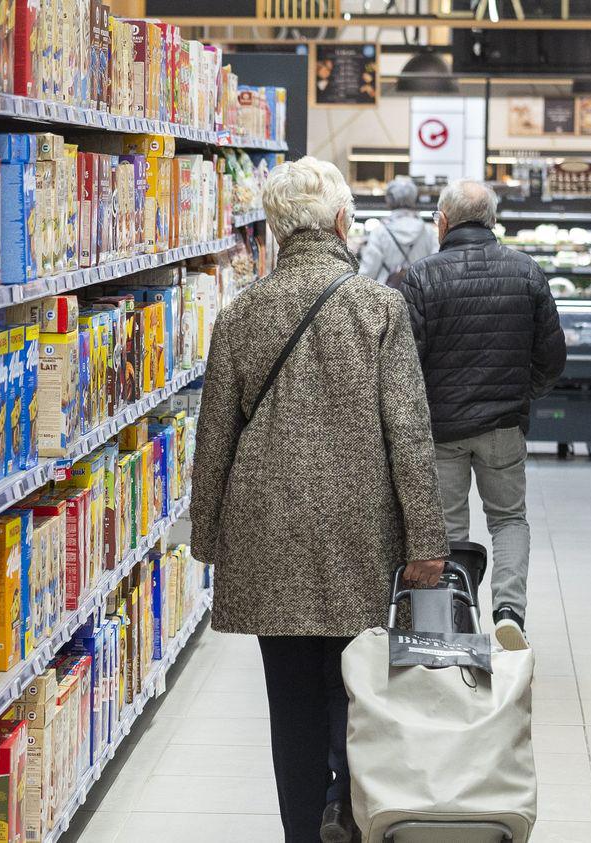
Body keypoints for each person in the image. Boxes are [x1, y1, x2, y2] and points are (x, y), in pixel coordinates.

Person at [189, 156, 449, 843]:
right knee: (360, 687)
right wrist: (427, 541)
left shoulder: (239, 313)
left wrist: (206, 537)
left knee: (291, 701)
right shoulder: (379, 308)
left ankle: (304, 827)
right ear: (340, 222)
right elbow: (410, 435)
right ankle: (353, 810)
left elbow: (214, 437)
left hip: (267, 528)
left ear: (275, 231)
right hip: (360, 529)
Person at [398, 179, 567, 652]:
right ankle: (509, 610)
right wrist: (518, 395)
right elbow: (552, 358)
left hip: (441, 430)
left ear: (443, 222)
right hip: (503, 428)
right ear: (492, 221)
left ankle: (449, 623)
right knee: (509, 519)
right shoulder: (527, 271)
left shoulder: (422, 277)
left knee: (447, 529)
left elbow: (406, 363)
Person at [357, 176, 437, 286]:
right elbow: (434, 269)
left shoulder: (380, 232)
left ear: (389, 201)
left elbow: (368, 272)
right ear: (413, 199)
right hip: (420, 293)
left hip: (386, 294)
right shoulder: (428, 231)